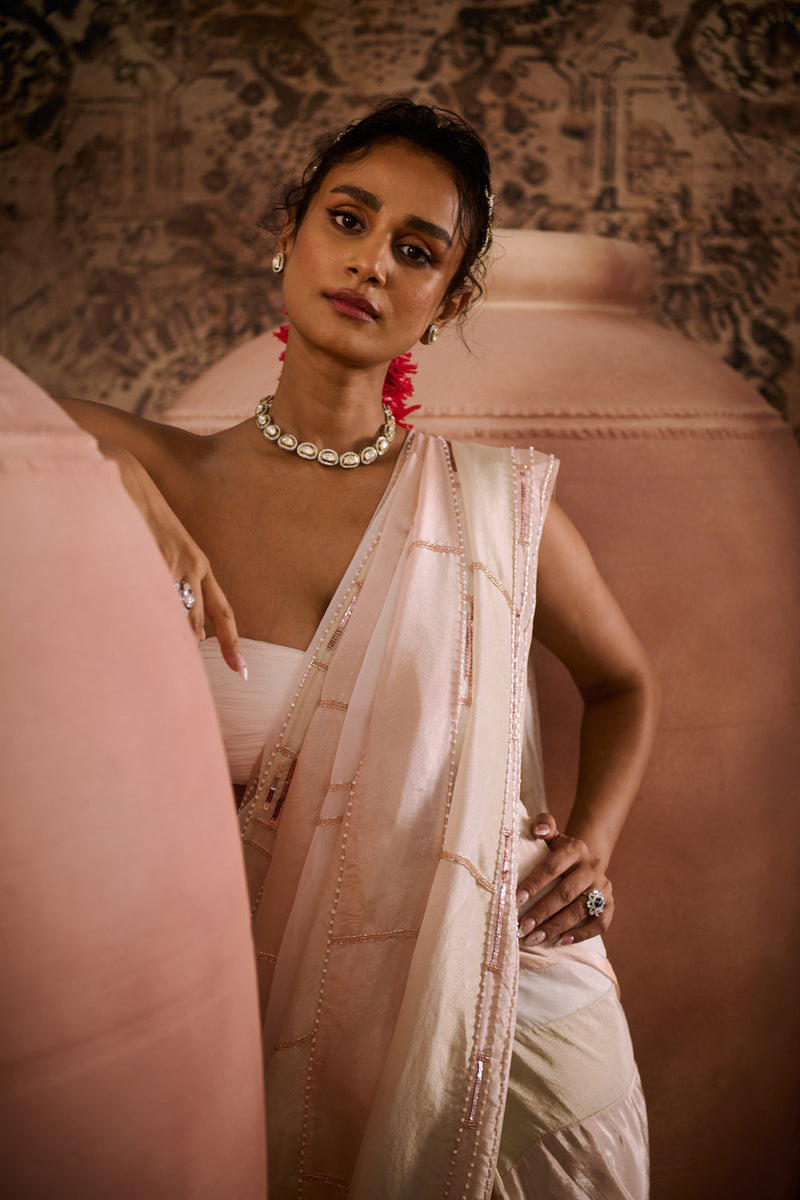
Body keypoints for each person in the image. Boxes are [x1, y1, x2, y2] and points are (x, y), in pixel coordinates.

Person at [58, 99, 659, 1199]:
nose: (369, 262)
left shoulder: (492, 505)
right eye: (347, 219)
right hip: (269, 1012)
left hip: (512, 1007)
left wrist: (593, 845)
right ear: (288, 231)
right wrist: (115, 477)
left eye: (415, 251)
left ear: (445, 300)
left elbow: (623, 683)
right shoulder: (145, 463)